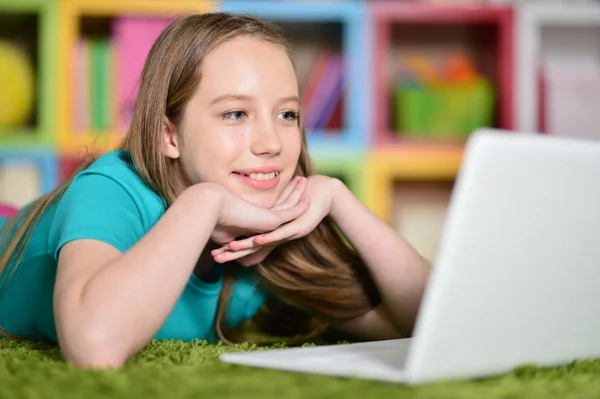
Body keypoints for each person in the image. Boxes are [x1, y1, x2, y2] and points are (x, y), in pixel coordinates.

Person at [0, 12, 430, 369]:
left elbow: (429, 325)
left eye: (286, 114)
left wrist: (339, 199)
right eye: (236, 113)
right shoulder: (112, 189)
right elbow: (94, 346)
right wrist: (203, 202)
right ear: (169, 136)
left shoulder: (272, 230)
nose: (272, 144)